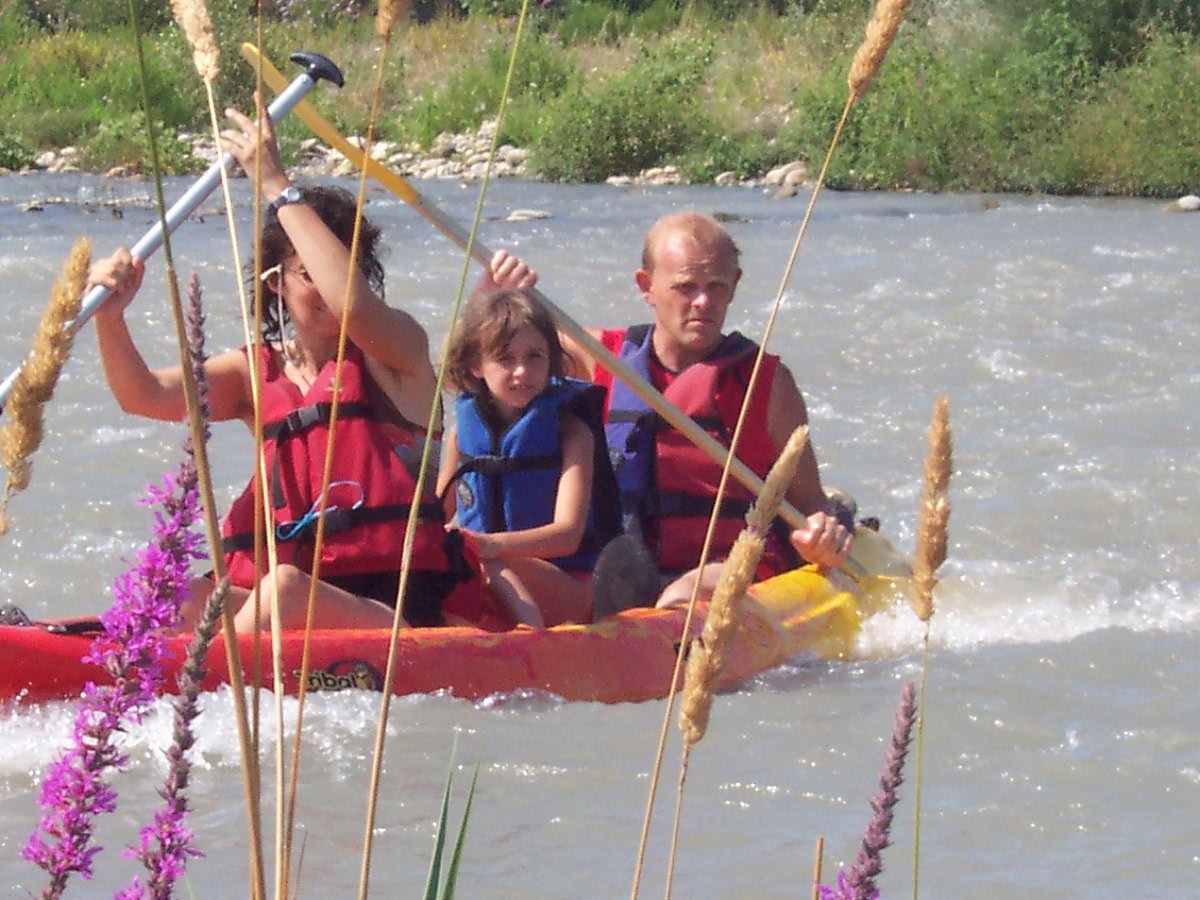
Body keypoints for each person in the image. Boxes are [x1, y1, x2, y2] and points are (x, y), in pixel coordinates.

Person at [87, 92, 534, 633]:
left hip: (395, 608)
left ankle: (190, 677)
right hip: (283, 600)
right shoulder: (253, 374)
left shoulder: (397, 353)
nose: (327, 284)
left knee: (285, 591)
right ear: (276, 285)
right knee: (170, 594)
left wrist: (277, 186)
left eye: (342, 267)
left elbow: (352, 305)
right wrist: (110, 319)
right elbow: (144, 396)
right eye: (311, 273)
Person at [559, 210, 854, 609]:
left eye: (716, 286)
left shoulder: (766, 383)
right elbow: (475, 367)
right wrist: (495, 291)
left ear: (734, 286)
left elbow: (808, 500)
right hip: (624, 566)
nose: (703, 302)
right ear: (646, 287)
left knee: (680, 597)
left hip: (726, 564)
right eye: (686, 286)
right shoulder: (600, 357)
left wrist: (823, 530)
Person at [436, 286, 621, 627]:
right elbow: (434, 518)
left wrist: (490, 545)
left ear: (551, 360)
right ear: (476, 364)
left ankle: (530, 642)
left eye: (535, 356)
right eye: (505, 359)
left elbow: (567, 535)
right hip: (491, 573)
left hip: (569, 588)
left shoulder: (572, 432)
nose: (522, 371)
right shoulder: (462, 434)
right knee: (446, 556)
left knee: (479, 558)